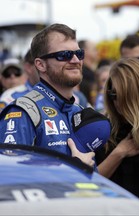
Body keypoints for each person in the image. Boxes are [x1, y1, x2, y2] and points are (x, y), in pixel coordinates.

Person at [0, 23, 97, 167]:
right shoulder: (23, 113)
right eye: (65, 55)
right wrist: (73, 170)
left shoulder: (79, 110)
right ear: (40, 65)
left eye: (79, 54)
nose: (76, 60)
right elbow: (11, 176)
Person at [95, 58, 139, 200]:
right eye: (112, 94)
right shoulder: (103, 129)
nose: (117, 102)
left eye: (123, 95)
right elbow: (91, 181)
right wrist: (119, 152)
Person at [78, 39, 98, 106]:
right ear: (85, 52)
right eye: (94, 49)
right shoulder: (81, 75)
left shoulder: (92, 73)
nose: (97, 52)